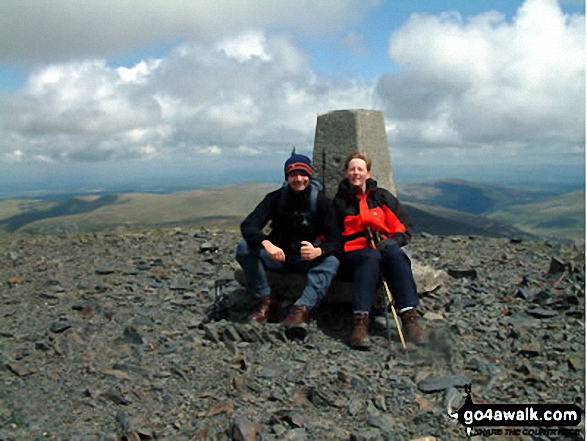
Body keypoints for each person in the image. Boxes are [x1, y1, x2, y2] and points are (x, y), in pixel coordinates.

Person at [236, 154, 341, 339]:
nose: (298, 179)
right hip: (279, 256)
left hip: (306, 259)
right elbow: (248, 225)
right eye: (293, 174)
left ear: (309, 175)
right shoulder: (275, 198)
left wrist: (319, 250)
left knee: (331, 261)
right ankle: (266, 300)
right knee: (245, 248)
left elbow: (336, 240)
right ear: (287, 177)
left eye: (303, 173)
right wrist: (267, 243)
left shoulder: (322, 202)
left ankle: (301, 309)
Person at [333, 151, 423, 349]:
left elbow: (403, 226)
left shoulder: (382, 197)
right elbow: (332, 235)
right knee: (369, 257)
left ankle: (409, 317)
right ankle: (360, 321)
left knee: (396, 254)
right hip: (352, 256)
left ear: (368, 173)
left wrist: (394, 240)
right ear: (345, 173)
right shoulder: (339, 203)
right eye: (352, 169)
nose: (356, 173)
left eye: (360, 169)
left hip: (381, 248)